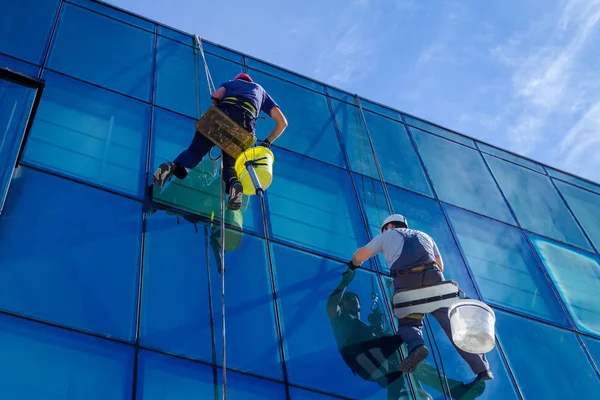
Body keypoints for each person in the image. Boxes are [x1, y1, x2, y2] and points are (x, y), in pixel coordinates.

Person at [346, 214, 494, 382]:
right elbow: (440, 265)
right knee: (454, 326)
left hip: (406, 280)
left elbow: (361, 255)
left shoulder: (386, 235)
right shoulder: (425, 236)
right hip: (433, 277)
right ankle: (483, 369)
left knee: (408, 322)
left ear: (389, 227)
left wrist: (353, 265)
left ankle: (417, 345)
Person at [327, 267, 486, 400]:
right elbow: (332, 307)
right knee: (403, 348)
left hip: (374, 354)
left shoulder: (362, 326)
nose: (353, 301)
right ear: (343, 303)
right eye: (349, 299)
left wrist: (376, 325)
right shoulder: (341, 319)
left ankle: (456, 390)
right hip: (362, 354)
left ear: (360, 307)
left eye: (355, 299)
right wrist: (344, 283)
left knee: (410, 366)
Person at [152, 73, 288, 210]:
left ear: (238, 79)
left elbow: (216, 95)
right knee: (230, 166)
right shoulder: (261, 91)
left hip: (221, 116)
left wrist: (217, 101)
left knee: (196, 151)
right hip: (244, 127)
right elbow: (282, 122)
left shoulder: (230, 83)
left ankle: (172, 167)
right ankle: (234, 184)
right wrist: (266, 143)